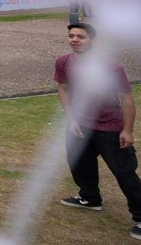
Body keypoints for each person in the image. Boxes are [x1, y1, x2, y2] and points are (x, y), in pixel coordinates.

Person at [55, 22, 141, 240]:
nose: (74, 40)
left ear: (92, 41)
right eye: (71, 36)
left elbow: (126, 99)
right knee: (79, 163)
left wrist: (128, 130)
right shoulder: (63, 62)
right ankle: (90, 198)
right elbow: (63, 89)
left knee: (124, 172)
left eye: (81, 37)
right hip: (80, 125)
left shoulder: (110, 67)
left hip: (110, 126)